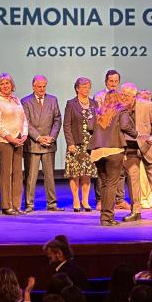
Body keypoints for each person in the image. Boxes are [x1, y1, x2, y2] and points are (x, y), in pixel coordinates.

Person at [119, 83, 152, 222]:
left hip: (148, 145)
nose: (124, 98)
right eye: (122, 95)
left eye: (126, 96)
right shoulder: (119, 107)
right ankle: (136, 211)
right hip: (130, 147)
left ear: (134, 96)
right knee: (133, 180)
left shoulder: (146, 105)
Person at [89, 90, 138, 226]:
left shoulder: (99, 112)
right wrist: (136, 134)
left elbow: (89, 126)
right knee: (111, 185)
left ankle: (104, 217)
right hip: (114, 150)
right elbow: (125, 126)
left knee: (104, 184)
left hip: (98, 152)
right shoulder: (121, 110)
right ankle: (107, 218)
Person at [21, 75, 63, 212]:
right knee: (31, 177)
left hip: (49, 144)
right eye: (39, 86)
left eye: (44, 86)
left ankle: (52, 204)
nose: (42, 89)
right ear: (33, 86)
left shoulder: (52, 99)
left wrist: (51, 137)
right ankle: (29, 204)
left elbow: (57, 120)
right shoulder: (26, 101)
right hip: (33, 144)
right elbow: (26, 122)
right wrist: (39, 137)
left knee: (50, 176)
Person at [0, 72, 28, 215]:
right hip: (4, 141)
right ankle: (6, 205)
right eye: (2, 83)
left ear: (12, 85)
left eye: (8, 83)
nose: (5, 86)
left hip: (18, 140)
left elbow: (24, 119)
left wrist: (24, 134)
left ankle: (16, 205)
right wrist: (10, 137)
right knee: (7, 173)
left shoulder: (16, 100)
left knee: (18, 173)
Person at [94, 69, 131, 212]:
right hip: (104, 141)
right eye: (111, 81)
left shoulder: (120, 97)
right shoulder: (99, 96)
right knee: (103, 176)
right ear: (106, 81)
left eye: (116, 81)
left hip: (117, 140)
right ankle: (101, 201)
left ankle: (119, 200)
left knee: (119, 172)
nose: (113, 84)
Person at [63, 77, 98, 212]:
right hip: (76, 144)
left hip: (90, 144)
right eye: (84, 87)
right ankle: (76, 200)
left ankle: (85, 200)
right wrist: (70, 143)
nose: (87, 89)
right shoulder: (71, 104)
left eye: (88, 87)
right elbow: (67, 125)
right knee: (75, 173)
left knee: (86, 173)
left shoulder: (94, 104)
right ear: (77, 88)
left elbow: (98, 123)